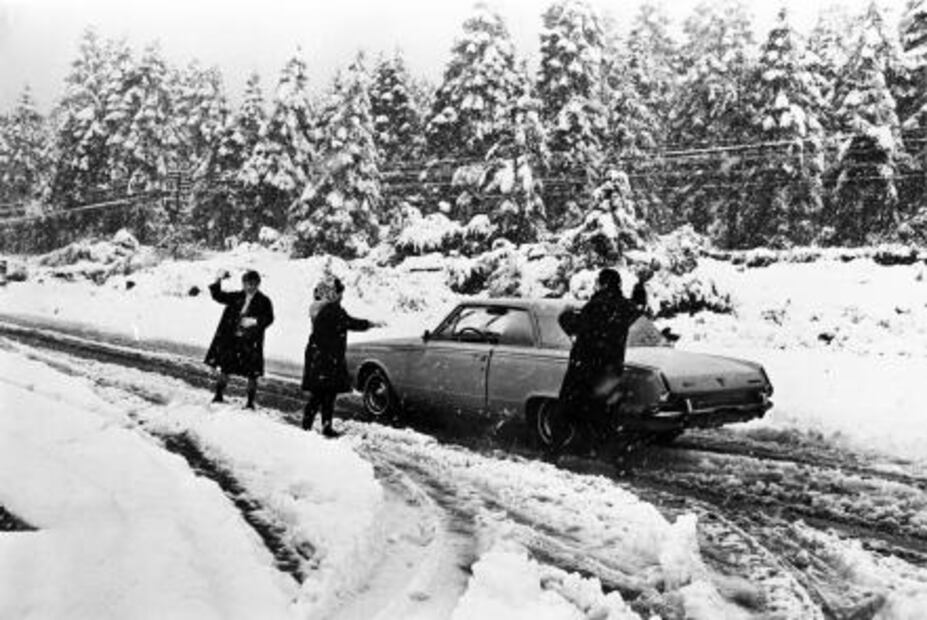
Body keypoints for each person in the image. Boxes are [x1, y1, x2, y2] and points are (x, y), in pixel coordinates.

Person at [545, 267, 649, 462]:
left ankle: (554, 452)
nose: (595, 286)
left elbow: (575, 327)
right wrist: (640, 287)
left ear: (602, 284)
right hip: (610, 371)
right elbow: (639, 307)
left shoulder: (596, 305)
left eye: (597, 282)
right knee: (606, 417)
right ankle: (620, 460)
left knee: (564, 411)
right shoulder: (624, 307)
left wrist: (565, 315)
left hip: (584, 368)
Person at [301, 276, 385, 438]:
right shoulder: (331, 309)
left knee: (324, 394)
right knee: (322, 394)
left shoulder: (322, 308)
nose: (342, 296)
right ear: (334, 293)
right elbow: (350, 323)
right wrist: (370, 324)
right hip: (325, 358)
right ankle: (311, 427)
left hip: (322, 356)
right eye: (340, 293)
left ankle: (317, 426)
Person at [205, 269, 275, 409]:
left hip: (251, 342)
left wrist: (255, 321)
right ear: (243, 284)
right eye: (248, 283)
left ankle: (250, 402)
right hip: (233, 340)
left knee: (252, 374)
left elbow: (269, 318)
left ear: (258, 284)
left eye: (254, 284)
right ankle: (218, 395)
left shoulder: (264, 301)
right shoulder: (237, 296)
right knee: (225, 368)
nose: (250, 287)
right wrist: (218, 280)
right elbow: (218, 296)